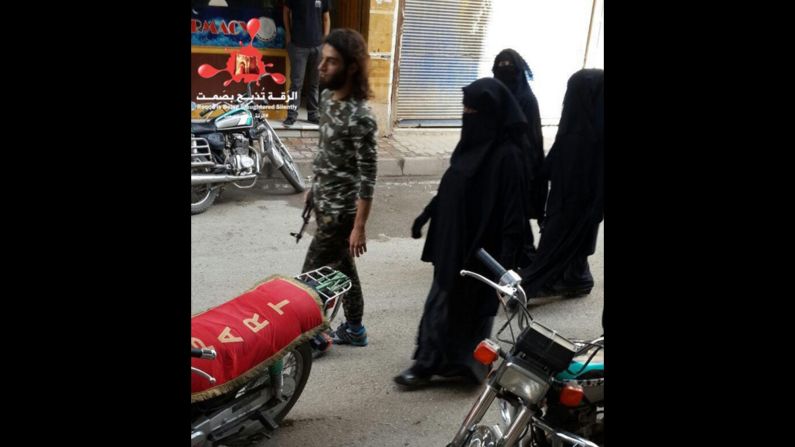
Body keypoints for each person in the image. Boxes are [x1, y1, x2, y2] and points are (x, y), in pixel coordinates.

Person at [396, 78, 529, 388]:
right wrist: (426, 214)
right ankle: (429, 361)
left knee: (471, 308)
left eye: (472, 109)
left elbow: (514, 217)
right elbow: (452, 185)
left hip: (482, 248)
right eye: (464, 108)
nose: (466, 114)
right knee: (441, 299)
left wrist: (506, 268)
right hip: (452, 240)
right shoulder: (470, 145)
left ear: (490, 113)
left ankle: (461, 364)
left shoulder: (508, 157)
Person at [301, 28, 378, 347]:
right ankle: (355, 328)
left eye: (331, 62)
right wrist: (313, 189)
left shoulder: (361, 117)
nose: (321, 67)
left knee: (308, 277)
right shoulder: (325, 99)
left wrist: (359, 226)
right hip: (323, 203)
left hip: (342, 214)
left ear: (351, 68)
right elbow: (324, 152)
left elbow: (368, 175)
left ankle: (314, 335)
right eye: (323, 59)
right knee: (344, 266)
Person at [519, 69, 604, 299]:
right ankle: (576, 279)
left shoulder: (597, 128)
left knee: (560, 239)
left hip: (583, 199)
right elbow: (560, 149)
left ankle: (545, 282)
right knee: (562, 239)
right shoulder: (576, 118)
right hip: (563, 193)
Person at [492, 48, 546, 266]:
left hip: (521, 163)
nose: (505, 70)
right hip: (495, 163)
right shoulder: (494, 94)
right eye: (501, 66)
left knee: (517, 212)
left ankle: (523, 256)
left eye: (509, 66)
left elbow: (531, 136)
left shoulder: (526, 99)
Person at [283, 0, 330, 126]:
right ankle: (292, 115)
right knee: (296, 83)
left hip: (317, 46)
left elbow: (326, 18)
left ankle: (313, 114)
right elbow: (286, 11)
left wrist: (325, 42)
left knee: (314, 83)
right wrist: (288, 34)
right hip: (298, 45)